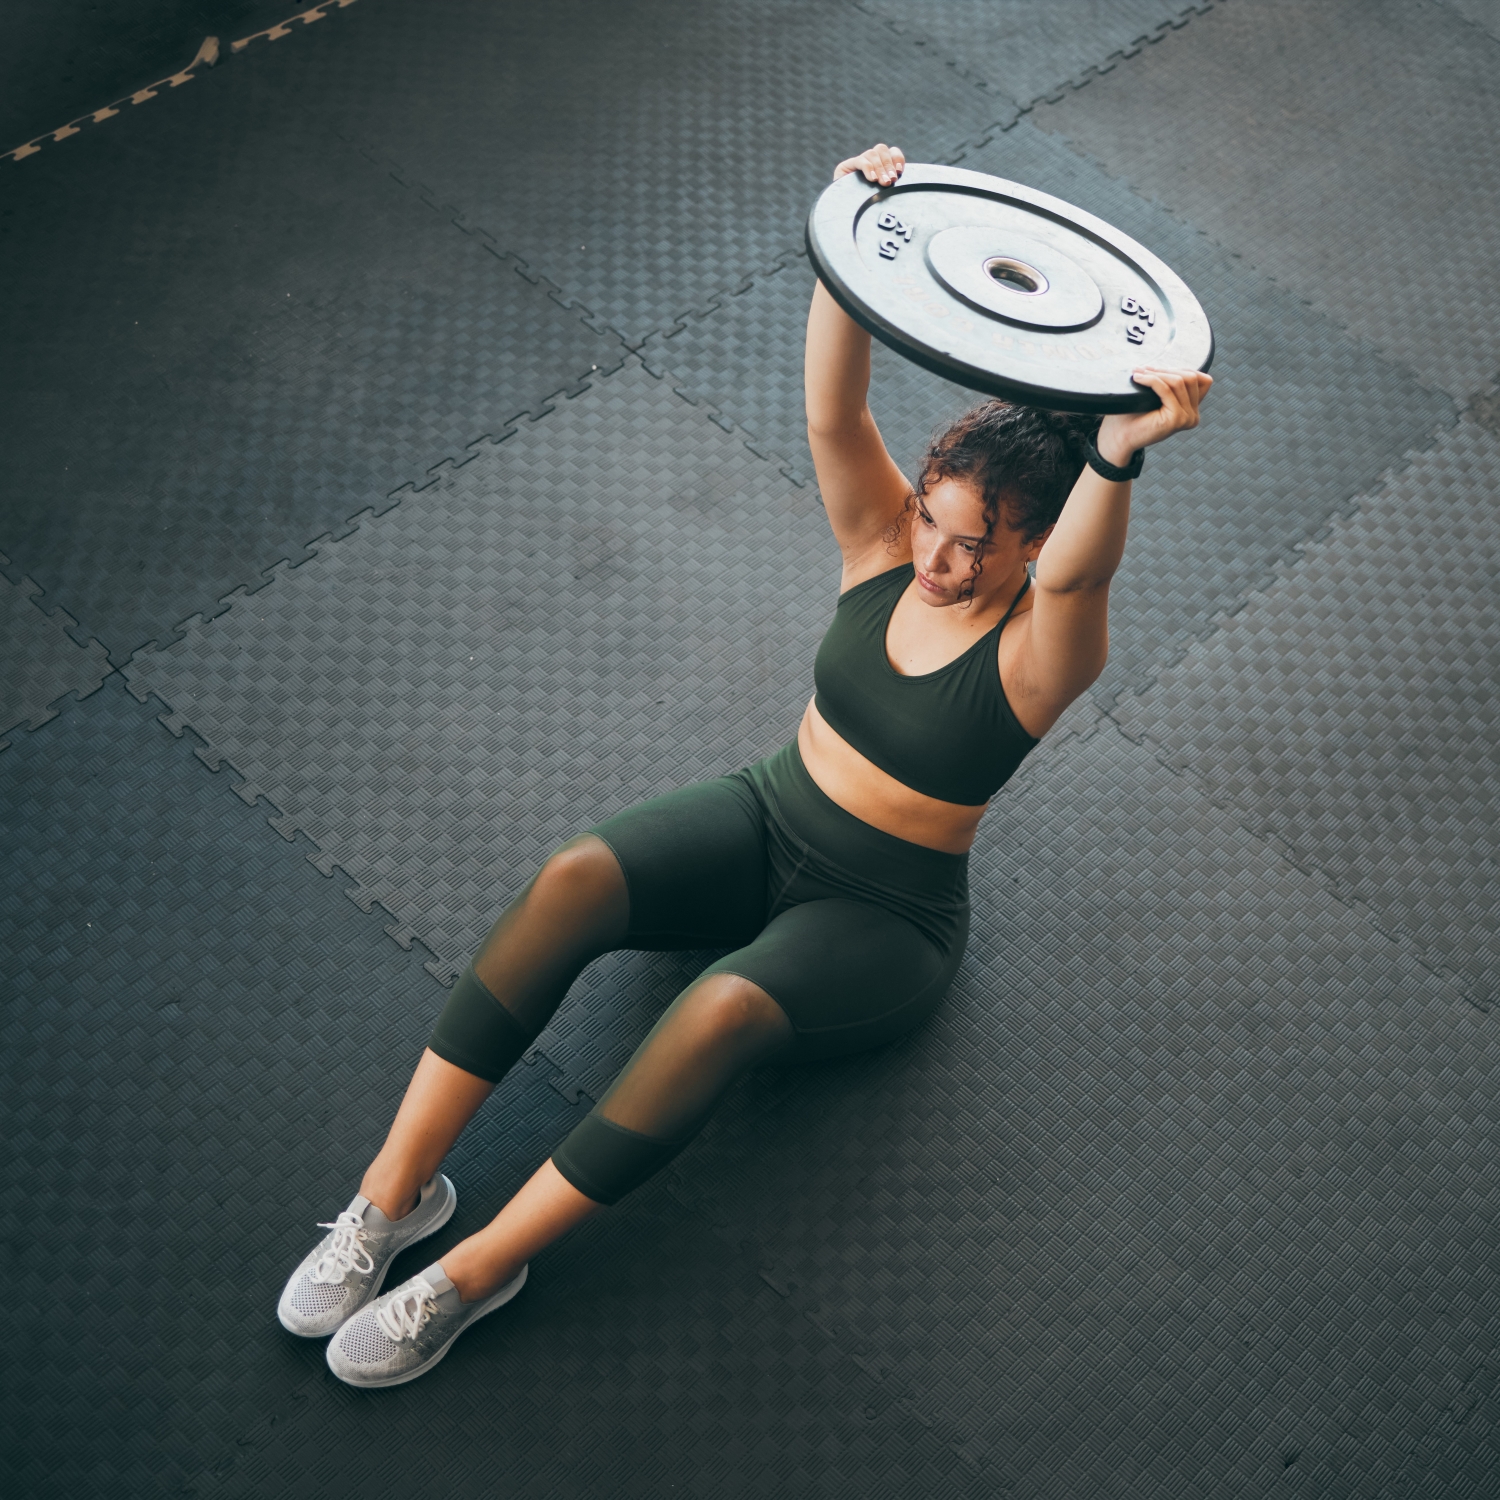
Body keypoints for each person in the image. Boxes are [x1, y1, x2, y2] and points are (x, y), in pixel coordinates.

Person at [277, 143, 1212, 1388]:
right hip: (768, 816)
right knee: (573, 877)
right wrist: (853, 236)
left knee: (713, 1007)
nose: (935, 557)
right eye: (931, 518)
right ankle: (392, 1200)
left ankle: (475, 1269)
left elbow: (1090, 566)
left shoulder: (1044, 652)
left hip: (882, 913)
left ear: (1029, 547)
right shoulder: (886, 549)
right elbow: (834, 413)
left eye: (972, 545)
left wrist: (1118, 453)